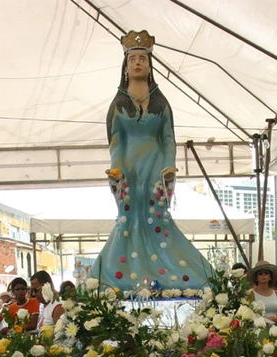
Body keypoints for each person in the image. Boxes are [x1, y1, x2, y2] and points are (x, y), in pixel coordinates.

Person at [91, 30, 214, 289]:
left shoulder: (161, 103)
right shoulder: (118, 104)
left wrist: (169, 165)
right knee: (130, 216)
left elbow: (168, 138)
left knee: (157, 216)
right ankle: (122, 274)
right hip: (128, 167)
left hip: (156, 166)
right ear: (126, 65)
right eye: (133, 58)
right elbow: (116, 141)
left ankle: (172, 269)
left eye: (143, 59)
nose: (138, 63)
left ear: (150, 65)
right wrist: (116, 169)